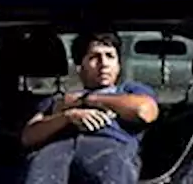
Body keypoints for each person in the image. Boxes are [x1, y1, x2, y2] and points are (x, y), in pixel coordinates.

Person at [20, 32, 160, 184]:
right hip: (57, 154)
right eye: (94, 57)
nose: (104, 63)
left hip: (109, 152)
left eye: (110, 56)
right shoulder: (61, 100)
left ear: (119, 64)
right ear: (80, 66)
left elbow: (144, 111)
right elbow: (29, 137)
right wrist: (68, 117)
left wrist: (89, 99)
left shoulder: (130, 91)